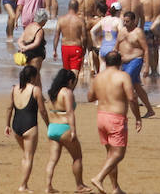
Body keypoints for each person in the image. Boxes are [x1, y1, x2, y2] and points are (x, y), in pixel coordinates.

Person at [87, 50, 141, 194]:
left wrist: (105, 93)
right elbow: (132, 98)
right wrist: (138, 118)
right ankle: (99, 177)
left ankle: (115, 188)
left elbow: (90, 97)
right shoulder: (123, 76)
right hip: (116, 118)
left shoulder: (98, 77)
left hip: (101, 117)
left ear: (105, 62)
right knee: (118, 154)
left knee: (111, 155)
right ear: (120, 62)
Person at [4, 64, 46, 192]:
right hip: (30, 126)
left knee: (25, 155)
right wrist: (49, 125)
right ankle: (23, 185)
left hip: (16, 126)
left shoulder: (14, 89)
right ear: (33, 77)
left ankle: (24, 183)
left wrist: (7, 125)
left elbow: (9, 108)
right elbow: (43, 111)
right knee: (29, 156)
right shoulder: (35, 90)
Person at [42, 68, 84, 194]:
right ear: (69, 81)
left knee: (52, 159)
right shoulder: (67, 92)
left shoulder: (52, 94)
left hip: (52, 128)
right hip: (64, 128)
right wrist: (73, 131)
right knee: (77, 158)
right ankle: (79, 186)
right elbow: (70, 113)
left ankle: (48, 186)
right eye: (73, 82)